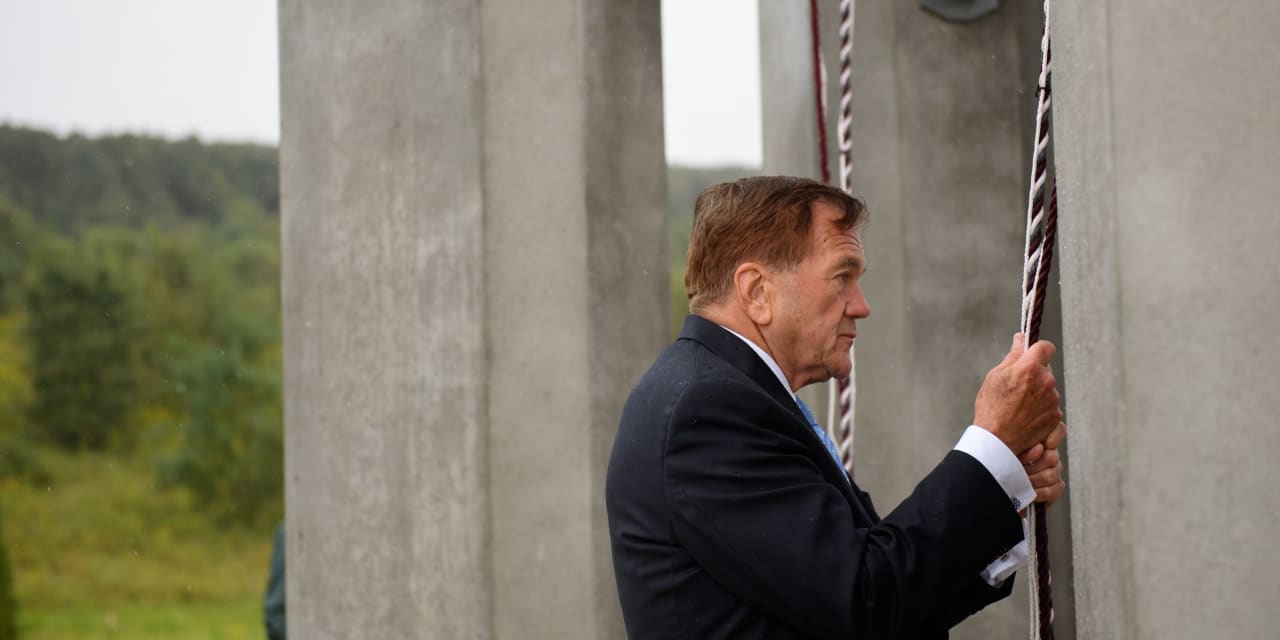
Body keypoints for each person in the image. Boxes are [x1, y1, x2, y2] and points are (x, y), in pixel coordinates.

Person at [605, 176, 1066, 639]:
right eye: (842, 277)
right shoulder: (708, 409)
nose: (861, 306)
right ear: (757, 291)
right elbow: (862, 599)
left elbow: (881, 603)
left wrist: (1001, 489)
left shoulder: (725, 395)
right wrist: (990, 448)